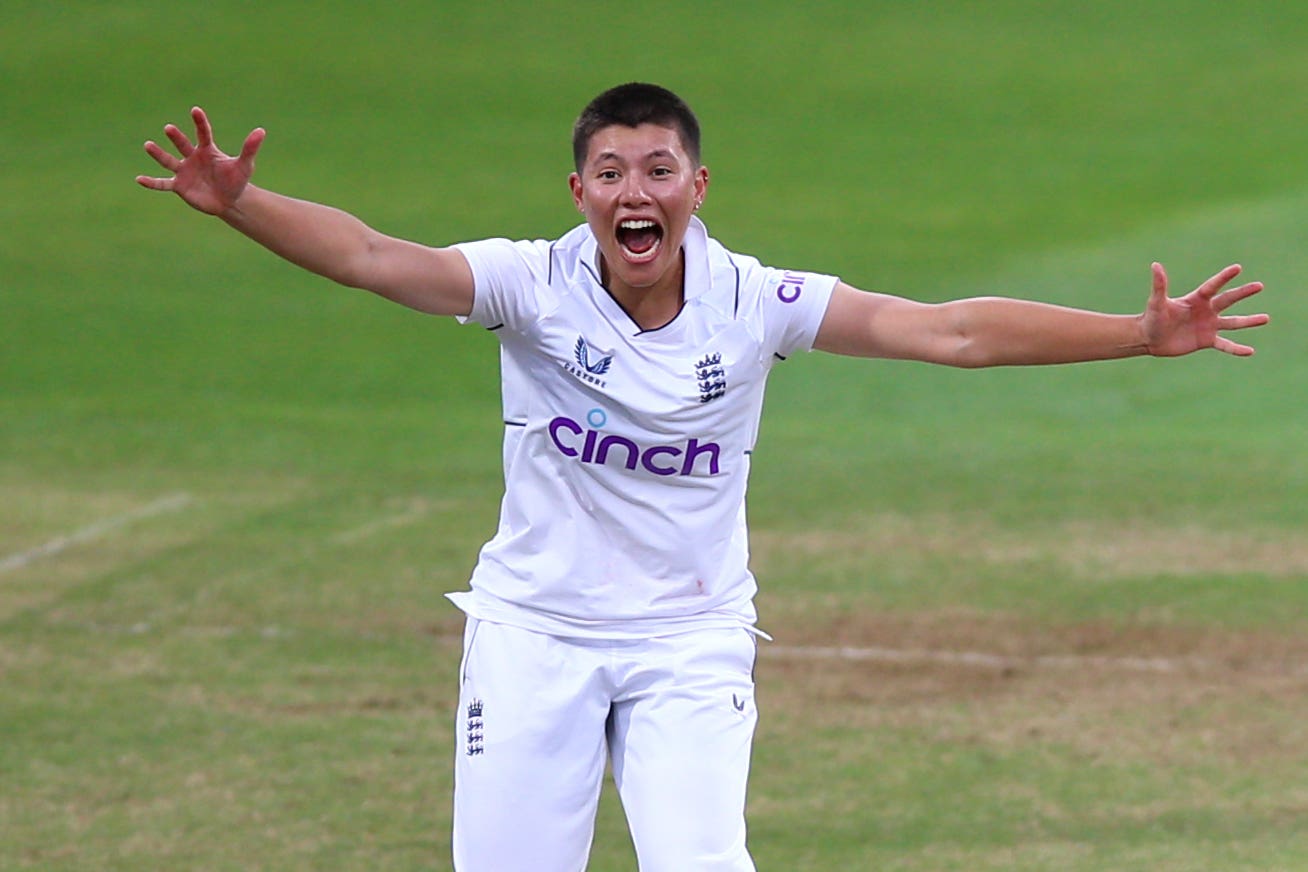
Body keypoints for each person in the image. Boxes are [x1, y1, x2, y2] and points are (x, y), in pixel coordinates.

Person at [137, 83, 1268, 871]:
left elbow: (951, 331)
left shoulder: (758, 302)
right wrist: (243, 203)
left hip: (689, 640)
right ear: (578, 189)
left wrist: (1135, 330)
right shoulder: (528, 284)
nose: (638, 189)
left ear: (698, 185)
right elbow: (380, 259)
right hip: (536, 631)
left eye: (659, 169)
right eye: (612, 170)